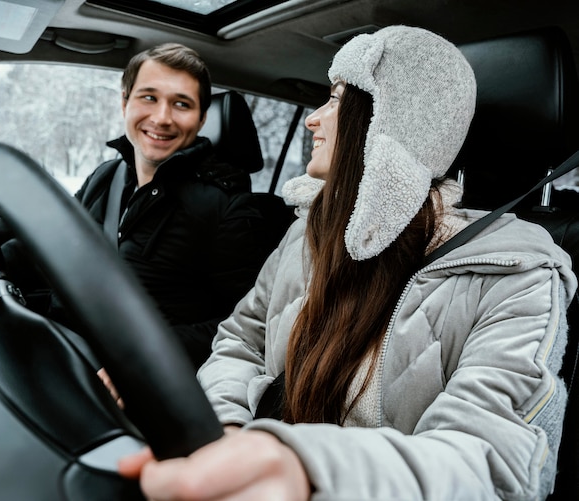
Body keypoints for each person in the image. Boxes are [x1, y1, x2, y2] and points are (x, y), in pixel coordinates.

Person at [117, 26, 578, 500]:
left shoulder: (516, 273)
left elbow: (495, 465)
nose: (314, 120)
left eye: (337, 100)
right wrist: (229, 429)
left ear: (387, 122)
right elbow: (240, 339)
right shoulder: (307, 234)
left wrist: (308, 469)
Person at [0, 43, 285, 371]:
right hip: (61, 349)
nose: (162, 117)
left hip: (137, 385)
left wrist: (141, 361)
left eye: (181, 104)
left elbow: (241, 326)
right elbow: (48, 245)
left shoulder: (227, 208)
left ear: (200, 120)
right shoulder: (106, 176)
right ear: (125, 103)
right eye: (149, 98)